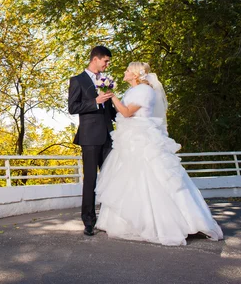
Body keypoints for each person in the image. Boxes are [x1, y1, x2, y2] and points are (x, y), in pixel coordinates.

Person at [95, 62, 223, 246]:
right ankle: (130, 221)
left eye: (128, 70)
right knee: (131, 179)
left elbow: (127, 112)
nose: (125, 72)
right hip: (130, 138)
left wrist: (111, 95)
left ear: (136, 74)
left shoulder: (144, 91)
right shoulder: (133, 90)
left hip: (142, 139)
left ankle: (176, 224)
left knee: (152, 177)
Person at [68, 46, 117, 236]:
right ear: (95, 59)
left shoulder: (107, 80)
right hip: (89, 137)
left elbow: (110, 110)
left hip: (108, 136)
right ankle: (88, 220)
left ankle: (108, 219)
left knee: (110, 178)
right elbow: (73, 107)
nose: (107, 65)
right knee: (91, 179)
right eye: (105, 61)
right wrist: (95, 101)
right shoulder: (77, 80)